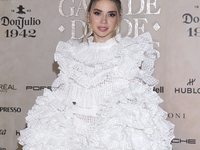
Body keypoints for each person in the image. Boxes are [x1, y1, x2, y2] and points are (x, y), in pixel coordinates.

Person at [18, 0, 175, 149]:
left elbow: (136, 105)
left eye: (111, 14)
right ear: (88, 15)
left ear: (118, 18)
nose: (104, 21)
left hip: (113, 140)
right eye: (98, 13)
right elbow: (63, 99)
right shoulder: (71, 54)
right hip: (71, 139)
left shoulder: (131, 52)